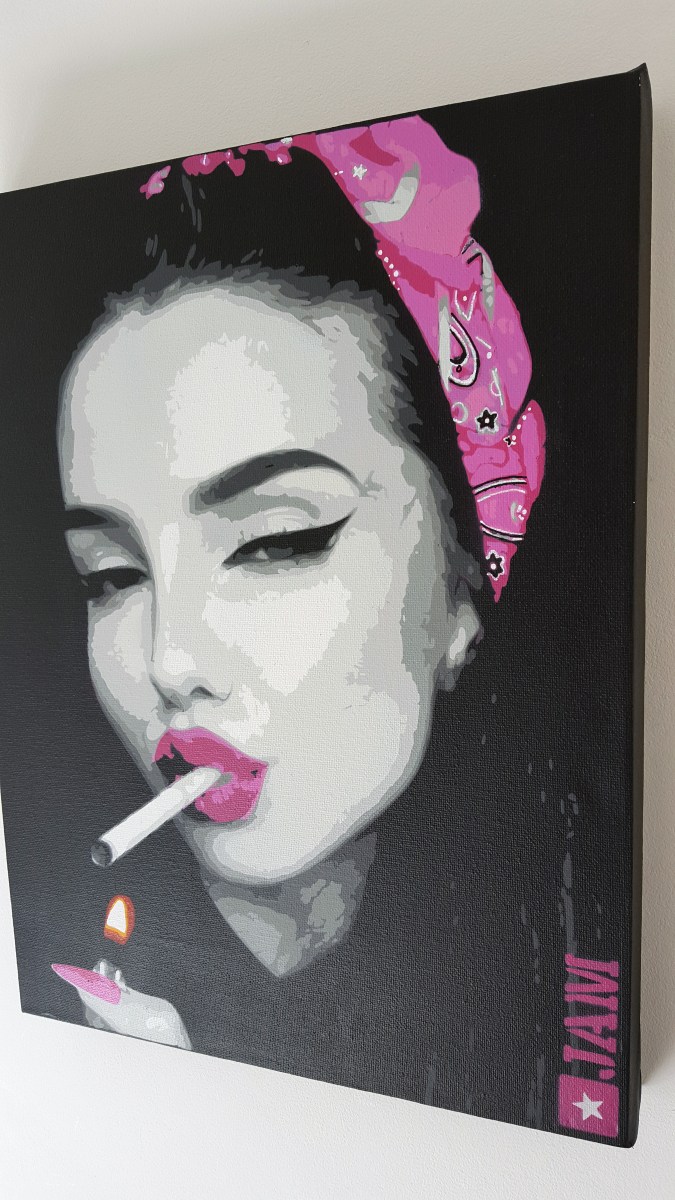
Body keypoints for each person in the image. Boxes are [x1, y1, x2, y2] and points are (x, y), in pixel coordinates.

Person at [50, 118, 545, 1112]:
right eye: (112, 575)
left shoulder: (527, 992)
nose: (170, 659)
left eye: (277, 541)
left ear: (464, 582)